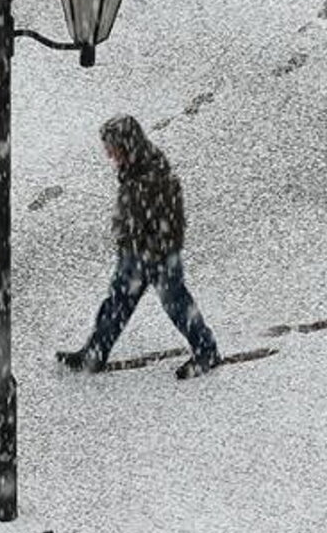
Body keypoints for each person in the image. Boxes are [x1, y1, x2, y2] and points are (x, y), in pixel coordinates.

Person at [58, 114, 222, 379]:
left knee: (174, 302)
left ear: (125, 144)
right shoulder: (135, 169)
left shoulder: (152, 173)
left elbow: (171, 218)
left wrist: (152, 249)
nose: (109, 154)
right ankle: (95, 353)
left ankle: (206, 351)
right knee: (117, 303)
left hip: (154, 254)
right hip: (137, 252)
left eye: (112, 147)